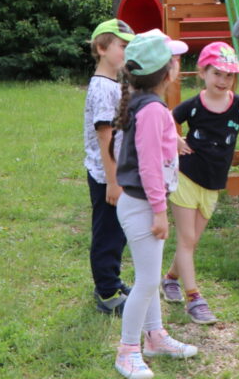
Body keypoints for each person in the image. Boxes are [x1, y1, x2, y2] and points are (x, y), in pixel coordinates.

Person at [163, 42, 239, 324]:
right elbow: (165, 120)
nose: (223, 80)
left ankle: (170, 278)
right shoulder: (193, 106)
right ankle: (194, 298)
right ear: (202, 73)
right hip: (186, 178)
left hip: (213, 184)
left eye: (229, 75)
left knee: (192, 240)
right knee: (187, 239)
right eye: (217, 73)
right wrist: (175, 139)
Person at [110, 29, 198, 379]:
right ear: (166, 72)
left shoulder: (145, 104)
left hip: (139, 203)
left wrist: (171, 139)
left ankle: (155, 337)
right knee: (147, 282)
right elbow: (147, 166)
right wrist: (160, 213)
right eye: (174, 59)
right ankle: (127, 351)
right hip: (143, 206)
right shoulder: (152, 110)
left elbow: (140, 147)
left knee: (149, 275)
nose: (178, 62)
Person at [85, 19, 136, 315]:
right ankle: (106, 292)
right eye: (123, 46)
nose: (127, 52)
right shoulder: (103, 88)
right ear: (102, 48)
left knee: (117, 232)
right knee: (108, 235)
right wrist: (113, 181)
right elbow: (105, 135)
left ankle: (112, 281)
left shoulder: (113, 84)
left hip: (116, 174)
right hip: (107, 176)